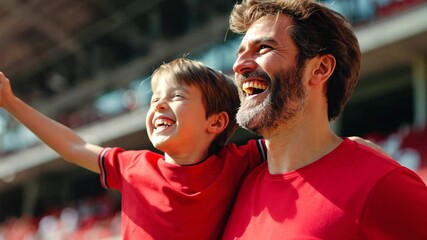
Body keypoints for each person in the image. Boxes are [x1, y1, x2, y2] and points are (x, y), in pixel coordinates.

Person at [222, 0, 427, 239]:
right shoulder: (236, 188)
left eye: (264, 48)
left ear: (320, 69)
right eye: (241, 53)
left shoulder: (381, 184)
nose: (238, 65)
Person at [0, 58, 267, 240]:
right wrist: (10, 103)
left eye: (176, 96)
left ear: (216, 122)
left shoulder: (240, 162)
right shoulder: (133, 166)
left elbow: (297, 128)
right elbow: (74, 145)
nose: (159, 105)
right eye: (154, 99)